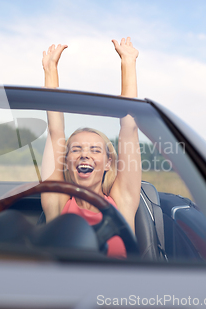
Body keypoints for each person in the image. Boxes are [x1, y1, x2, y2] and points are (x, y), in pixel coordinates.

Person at [41, 37, 142, 258]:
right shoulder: (57, 203)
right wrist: (50, 71)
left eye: (95, 150)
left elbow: (129, 128)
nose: (84, 154)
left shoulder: (121, 200)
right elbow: (56, 132)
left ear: (108, 162)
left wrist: (128, 63)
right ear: (66, 160)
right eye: (76, 149)